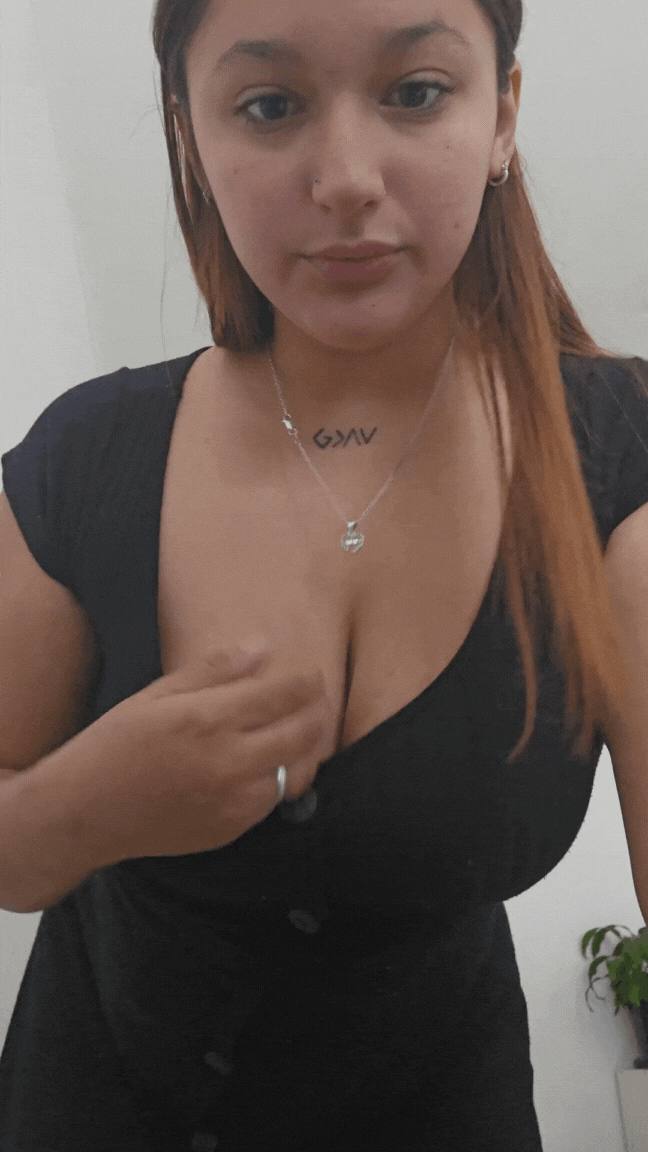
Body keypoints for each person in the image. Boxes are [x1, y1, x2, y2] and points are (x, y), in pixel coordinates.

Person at [0, 0, 647, 1149]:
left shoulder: (620, 458)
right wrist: (81, 809)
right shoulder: (83, 457)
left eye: (415, 91)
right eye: (269, 105)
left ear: (502, 116)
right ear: (190, 135)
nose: (346, 179)